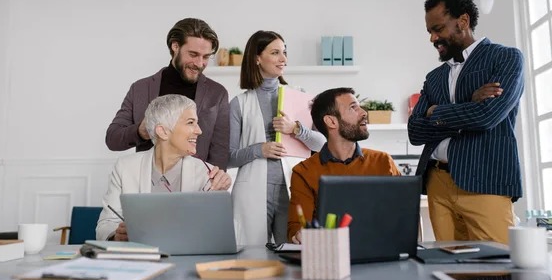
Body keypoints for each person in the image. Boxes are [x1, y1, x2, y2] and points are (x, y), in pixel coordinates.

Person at [408, 0, 525, 245]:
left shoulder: (505, 58)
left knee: (497, 268)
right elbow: (415, 132)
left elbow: (487, 116)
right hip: (437, 183)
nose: (432, 38)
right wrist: (467, 105)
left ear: (463, 21)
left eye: (437, 28)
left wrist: (435, 112)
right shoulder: (434, 77)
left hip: (485, 179)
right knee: (451, 268)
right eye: (429, 31)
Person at [229, 30, 326, 245]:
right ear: (257, 58)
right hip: (252, 191)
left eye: (284, 52)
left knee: (294, 252)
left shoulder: (299, 96)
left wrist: (297, 129)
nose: (283, 59)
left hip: (293, 187)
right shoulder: (239, 103)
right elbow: (229, 157)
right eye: (275, 52)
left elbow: (321, 144)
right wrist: (259, 150)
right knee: (253, 257)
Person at [96, 94, 232, 241]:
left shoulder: (209, 175)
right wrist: (116, 236)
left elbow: (216, 235)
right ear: (163, 131)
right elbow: (106, 224)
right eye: (190, 122)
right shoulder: (125, 167)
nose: (199, 130)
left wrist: (219, 198)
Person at [105, 18, 230, 171]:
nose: (199, 63)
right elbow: (112, 139)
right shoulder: (140, 89)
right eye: (193, 54)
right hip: (147, 185)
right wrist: (140, 131)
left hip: (197, 186)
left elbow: (220, 152)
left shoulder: (217, 93)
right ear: (175, 46)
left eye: (205, 57)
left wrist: (212, 186)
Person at [287, 87, 401, 244]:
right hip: (329, 256)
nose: (363, 112)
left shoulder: (383, 161)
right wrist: (299, 234)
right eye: (353, 107)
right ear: (331, 121)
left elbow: (402, 214)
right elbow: (297, 226)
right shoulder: (304, 172)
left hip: (380, 252)